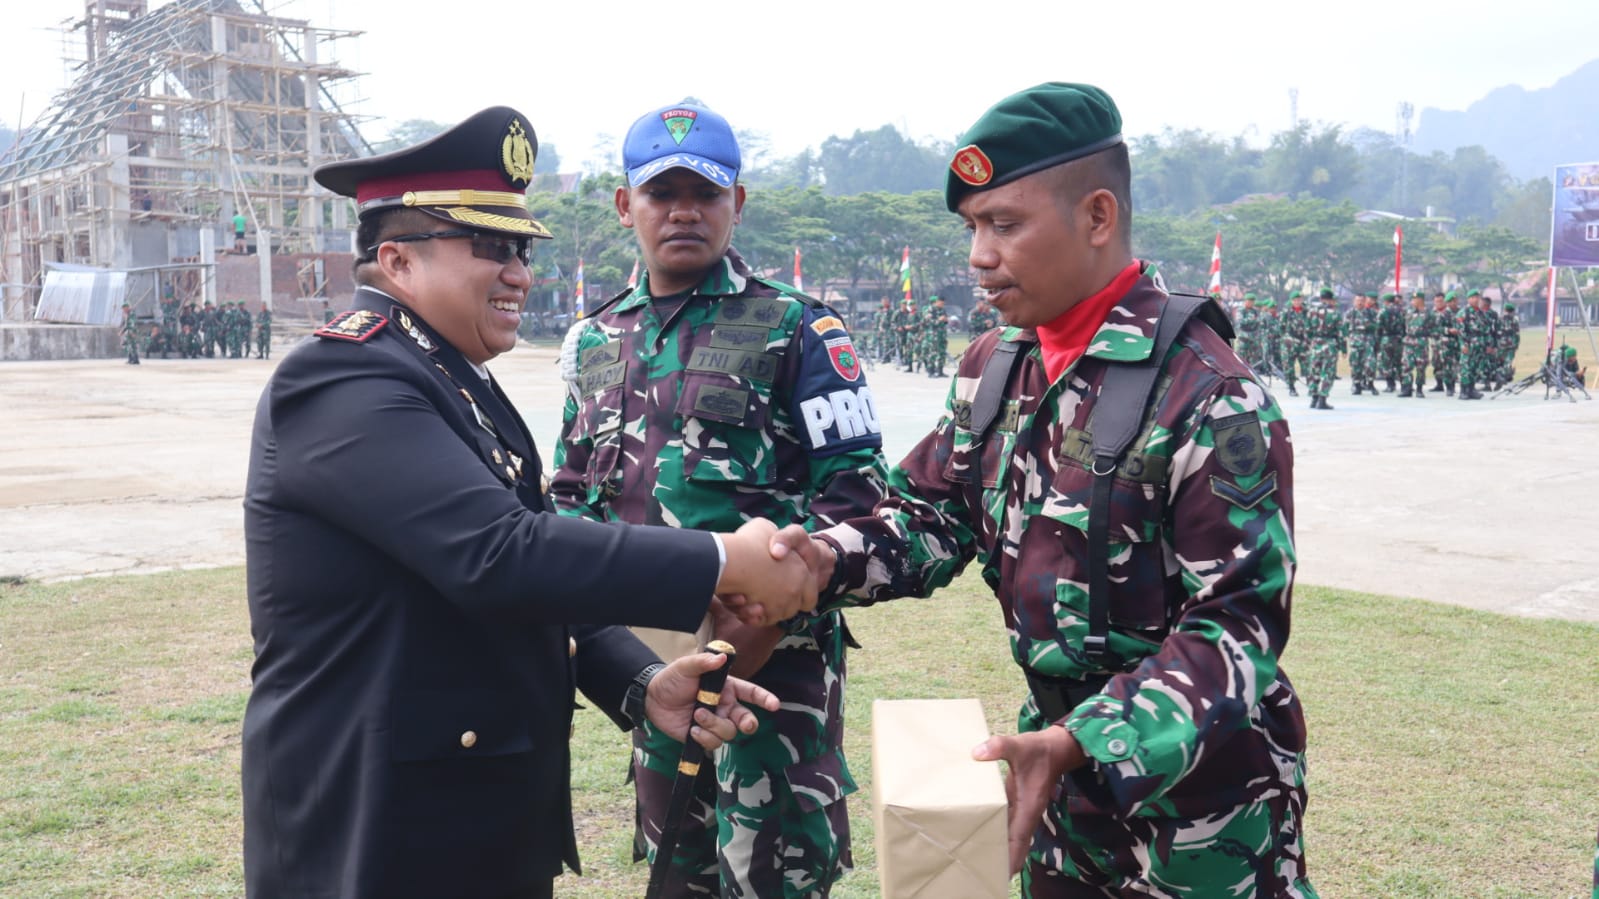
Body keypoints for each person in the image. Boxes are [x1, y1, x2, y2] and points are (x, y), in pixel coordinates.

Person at [242, 105, 819, 899]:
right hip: (380, 820)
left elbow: (534, 555)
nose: (519, 271)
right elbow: (500, 554)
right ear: (397, 259)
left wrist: (640, 683)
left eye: (521, 248)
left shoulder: (452, 377)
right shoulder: (346, 378)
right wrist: (723, 559)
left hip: (471, 808)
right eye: (490, 248)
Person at [777, 82, 1313, 897]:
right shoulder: (997, 365)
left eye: (1004, 223)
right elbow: (927, 512)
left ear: (1096, 217)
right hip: (1053, 774)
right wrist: (813, 559)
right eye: (971, 227)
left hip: (1202, 802)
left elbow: (1237, 624)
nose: (978, 256)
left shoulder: (1207, 392)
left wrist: (1083, 740)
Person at [551, 101, 889, 899]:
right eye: (661, 193)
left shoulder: (799, 328)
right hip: (655, 669)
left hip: (778, 679)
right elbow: (569, 499)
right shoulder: (592, 340)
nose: (683, 212)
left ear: (736, 203)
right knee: (676, 875)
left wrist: (761, 622)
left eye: (704, 193)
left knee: (771, 879)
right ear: (624, 205)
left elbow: (860, 497)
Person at [119, 301, 140, 365]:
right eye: (123, 308)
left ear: (128, 307)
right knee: (128, 346)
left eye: (124, 308)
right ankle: (130, 359)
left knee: (133, 346)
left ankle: (135, 359)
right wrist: (122, 331)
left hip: (132, 332)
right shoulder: (127, 314)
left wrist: (132, 332)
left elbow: (133, 324)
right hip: (128, 332)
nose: (123, 310)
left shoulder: (131, 314)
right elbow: (126, 325)